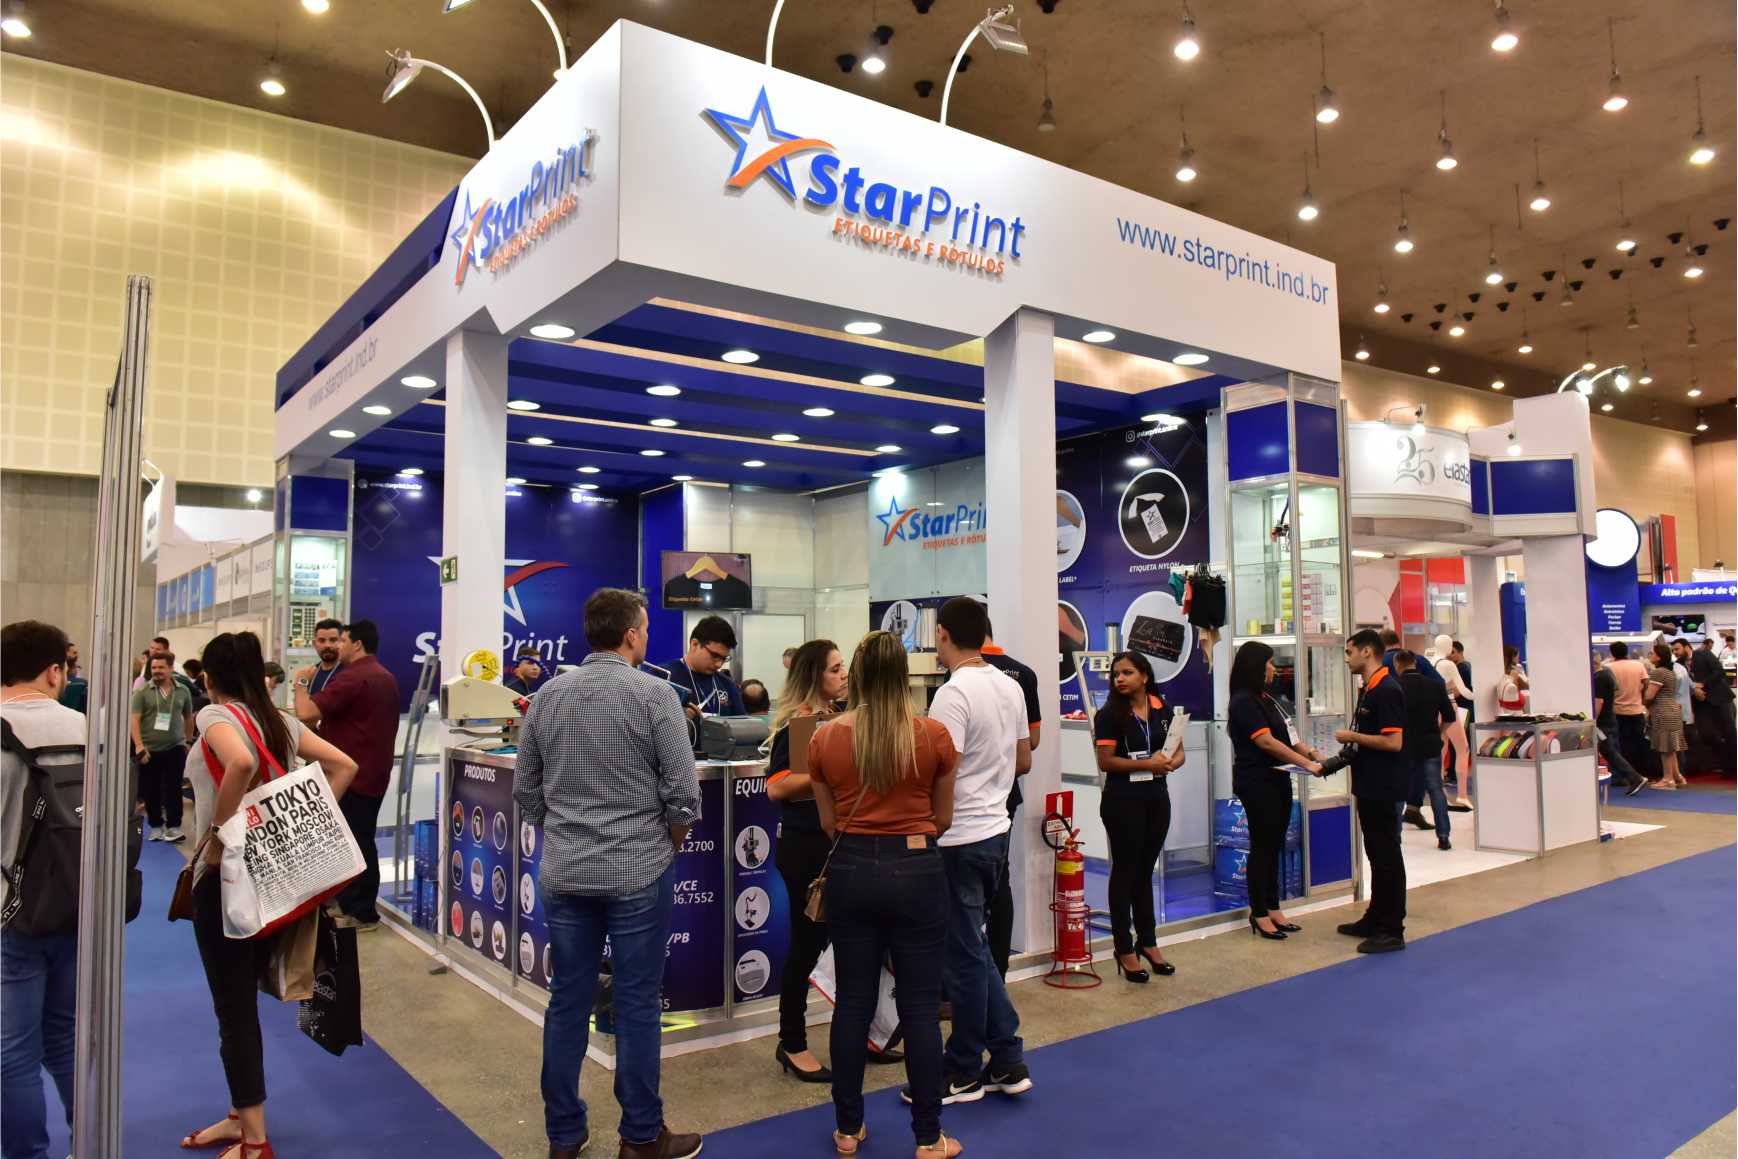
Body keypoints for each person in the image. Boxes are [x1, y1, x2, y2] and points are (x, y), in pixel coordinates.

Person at [513, 589, 704, 1159]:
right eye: (644, 627)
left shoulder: (547, 698)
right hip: (639, 872)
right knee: (638, 1003)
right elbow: (683, 795)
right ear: (630, 635)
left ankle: (564, 1136)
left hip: (566, 873)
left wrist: (566, 834)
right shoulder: (657, 696)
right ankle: (641, 1136)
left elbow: (526, 790)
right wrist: (665, 847)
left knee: (567, 1001)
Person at [178, 631, 358, 1159]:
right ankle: (241, 1115)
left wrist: (220, 834)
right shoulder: (279, 721)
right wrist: (306, 827)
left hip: (227, 880)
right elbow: (344, 766)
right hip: (273, 877)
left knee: (232, 1008)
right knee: (240, 1002)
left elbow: (238, 763)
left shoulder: (215, 715)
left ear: (208, 677)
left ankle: (254, 1141)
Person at [806, 631, 960, 1159]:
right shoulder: (934, 735)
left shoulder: (825, 738)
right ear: (903, 674)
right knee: (920, 1007)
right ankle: (929, 1137)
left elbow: (828, 823)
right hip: (918, 869)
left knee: (853, 1003)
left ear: (857, 674)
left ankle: (848, 1130)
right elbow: (942, 819)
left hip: (851, 870)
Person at [924, 597, 1033, 1105]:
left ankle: (964, 1068)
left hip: (958, 838)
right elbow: (1023, 758)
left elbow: (940, 770)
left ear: (943, 634)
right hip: (995, 831)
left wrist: (935, 823)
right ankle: (1006, 1058)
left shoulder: (952, 694)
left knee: (963, 957)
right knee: (974, 949)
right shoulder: (1010, 685)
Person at [1, 621, 84, 1159]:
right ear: (55, 671)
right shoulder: (85, 728)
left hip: (11, 911)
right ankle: (89, 1140)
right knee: (65, 1037)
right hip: (79, 903)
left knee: (13, 1051)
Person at [764, 639, 847, 1083]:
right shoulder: (804, 724)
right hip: (807, 850)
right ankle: (792, 1041)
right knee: (807, 944)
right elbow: (779, 786)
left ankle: (860, 1034)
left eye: (843, 666)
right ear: (815, 676)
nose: (844, 674)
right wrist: (827, 767)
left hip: (836, 845)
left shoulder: (837, 716)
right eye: (835, 669)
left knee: (847, 945)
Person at [292, 620, 401, 930]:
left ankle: (362, 911)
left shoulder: (353, 677)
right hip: (372, 771)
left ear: (357, 644)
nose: (335, 646)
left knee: (355, 840)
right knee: (357, 838)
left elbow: (306, 713)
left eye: (340, 640)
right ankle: (351, 903)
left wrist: (300, 682)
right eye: (327, 640)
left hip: (353, 776)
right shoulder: (383, 676)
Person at [1092, 650, 1182, 977]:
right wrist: (1148, 764)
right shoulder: (1109, 715)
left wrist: (1169, 763)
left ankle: (1149, 941)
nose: (1120, 679)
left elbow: (1178, 751)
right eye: (1116, 674)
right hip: (1123, 800)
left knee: (1145, 872)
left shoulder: (1162, 709)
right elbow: (1106, 761)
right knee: (1125, 872)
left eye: (1127, 672)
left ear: (1144, 676)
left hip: (1156, 797)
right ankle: (1124, 948)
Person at [1225, 641, 1319, 941]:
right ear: (1255, 665)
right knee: (1263, 846)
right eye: (1268, 663)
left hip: (1279, 779)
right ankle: (1259, 911)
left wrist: (1314, 755)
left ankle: (1274, 906)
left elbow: (1289, 737)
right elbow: (1266, 741)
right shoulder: (1243, 701)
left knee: (1274, 845)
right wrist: (1306, 764)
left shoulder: (1267, 699)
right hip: (1257, 782)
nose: (1273, 669)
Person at [1335, 629, 1409, 954]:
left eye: (1349, 652)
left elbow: (1394, 742)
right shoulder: (1369, 688)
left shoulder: (1387, 689)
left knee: (1387, 856)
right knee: (1376, 855)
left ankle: (1392, 928)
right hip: (1369, 785)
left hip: (1384, 787)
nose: (1347, 659)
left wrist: (1353, 737)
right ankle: (1376, 917)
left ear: (1367, 652)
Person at [981, 621, 1040, 979]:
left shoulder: (959, 678)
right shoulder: (1024, 675)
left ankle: (978, 977)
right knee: (999, 880)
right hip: (1006, 793)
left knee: (972, 885)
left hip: (973, 799)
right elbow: (1032, 742)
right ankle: (997, 975)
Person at [130, 651, 194, 842]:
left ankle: (174, 827)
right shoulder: (142, 692)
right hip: (149, 749)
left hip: (175, 747)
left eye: (161, 667)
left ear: (171, 668)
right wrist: (139, 746)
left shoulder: (183, 690)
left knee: (174, 788)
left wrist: (188, 741)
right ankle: (156, 825)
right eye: (154, 667)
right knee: (151, 789)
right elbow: (134, 720)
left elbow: (188, 717)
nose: (156, 671)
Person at [1395, 651, 1455, 850]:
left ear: (1397, 665)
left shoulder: (1394, 687)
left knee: (1399, 790)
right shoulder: (1435, 686)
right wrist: (1439, 732)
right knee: (1436, 789)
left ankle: (1395, 836)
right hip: (1430, 745)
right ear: (1415, 663)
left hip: (1403, 746)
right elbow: (1449, 717)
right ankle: (1444, 836)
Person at [663, 615, 746, 718]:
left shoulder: (727, 685)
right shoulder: (664, 677)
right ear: (694, 644)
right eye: (715, 656)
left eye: (724, 658)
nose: (719, 664)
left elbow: (741, 724)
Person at [1593, 651, 1647, 796]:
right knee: (1611, 750)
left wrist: (1592, 721)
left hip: (1603, 722)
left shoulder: (1600, 678)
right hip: (1610, 718)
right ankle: (1629, 778)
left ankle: (1634, 777)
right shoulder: (1607, 673)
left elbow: (1599, 702)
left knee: (1609, 751)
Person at [1431, 634, 1474, 808]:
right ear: (1448, 647)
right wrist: (1479, 696)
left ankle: (1440, 792)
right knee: (1463, 749)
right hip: (1448, 706)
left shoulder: (1429, 662)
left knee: (1441, 749)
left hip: (1433, 708)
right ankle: (1462, 795)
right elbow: (1464, 690)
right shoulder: (1448, 665)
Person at [1688, 635, 1736, 777]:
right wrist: (1694, 690)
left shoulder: (1703, 654)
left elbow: (1719, 671)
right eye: (1673, 650)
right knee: (1706, 734)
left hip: (1721, 699)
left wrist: (1702, 684)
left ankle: (1732, 769)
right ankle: (1724, 763)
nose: (1675, 652)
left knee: (1729, 734)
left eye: (1677, 649)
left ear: (1686, 647)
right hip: (1701, 703)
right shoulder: (1678, 664)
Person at [1644, 641, 1689, 790]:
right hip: (1672, 711)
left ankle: (1667, 780)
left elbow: (1650, 696)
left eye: (1652, 653)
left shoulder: (1659, 672)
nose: (1650, 655)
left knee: (1665, 748)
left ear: (1659, 657)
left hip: (1663, 712)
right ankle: (1677, 777)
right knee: (1671, 748)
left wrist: (1644, 699)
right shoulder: (1670, 672)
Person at [1606, 642, 1652, 779]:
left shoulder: (1608, 667)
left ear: (1612, 653)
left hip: (1617, 712)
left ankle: (1624, 776)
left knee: (1620, 745)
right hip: (1636, 710)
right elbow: (1646, 683)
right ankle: (1641, 773)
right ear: (1627, 651)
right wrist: (1641, 697)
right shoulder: (1638, 666)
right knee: (1638, 743)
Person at [307, 618, 346, 695]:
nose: (327, 645)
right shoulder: (310, 673)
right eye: (322, 640)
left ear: (342, 642)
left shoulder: (348, 673)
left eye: (333, 640)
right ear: (314, 644)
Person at [1496, 645, 1529, 713]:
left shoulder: (1515, 669)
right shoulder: (1513, 673)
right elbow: (1525, 686)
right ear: (1513, 656)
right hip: (1514, 708)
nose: (1518, 658)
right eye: (1517, 656)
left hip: (1509, 709)